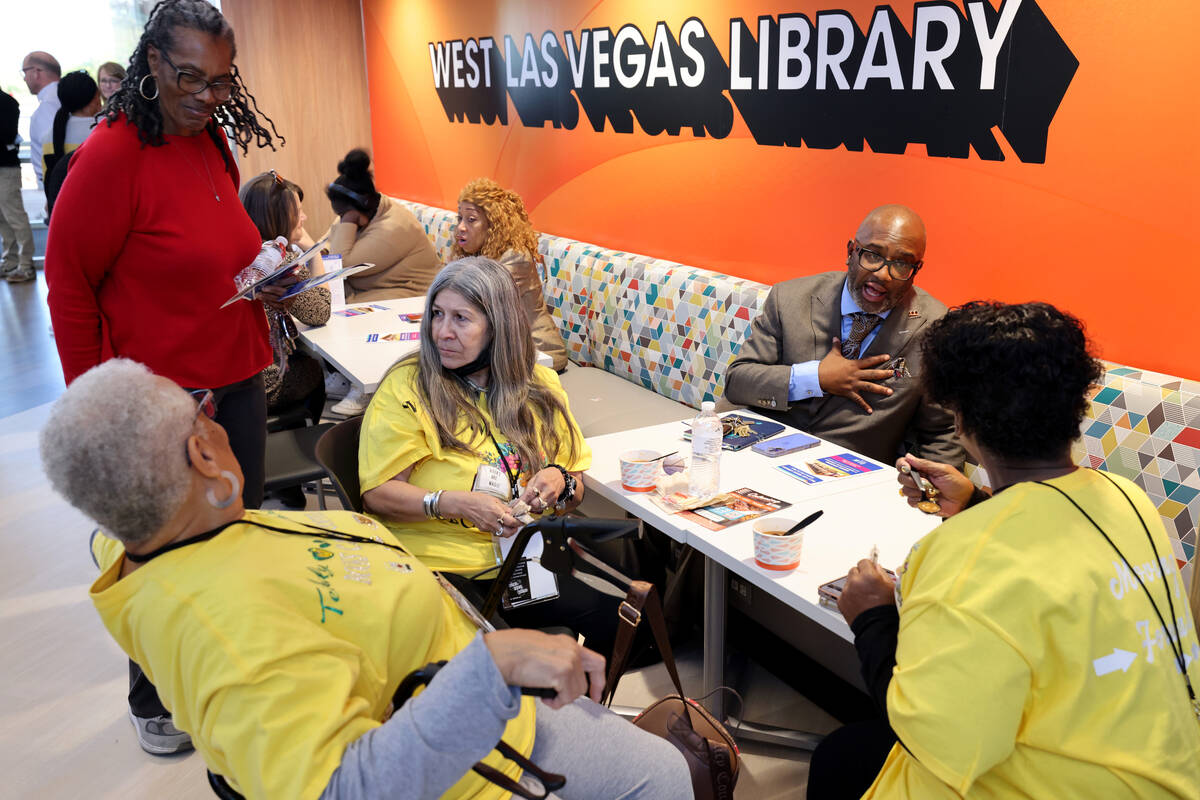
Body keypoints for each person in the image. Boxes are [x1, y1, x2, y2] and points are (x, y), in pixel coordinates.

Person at [39, 358, 694, 800]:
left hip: (457, 673)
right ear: (203, 452)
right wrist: (491, 666)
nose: (213, 415)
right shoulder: (232, 641)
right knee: (664, 776)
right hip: (478, 744)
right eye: (199, 408)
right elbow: (343, 790)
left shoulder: (146, 533)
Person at [808, 301, 1200, 799]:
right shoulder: (1129, 500)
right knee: (847, 754)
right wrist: (976, 502)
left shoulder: (960, 556)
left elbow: (932, 738)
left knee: (842, 761)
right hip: (1164, 768)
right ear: (1075, 404)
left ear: (962, 420)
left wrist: (872, 616)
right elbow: (1052, 558)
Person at [44, 0, 285, 757]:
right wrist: (97, 404)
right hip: (159, 405)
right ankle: (153, 697)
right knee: (163, 556)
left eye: (220, 81)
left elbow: (214, 246)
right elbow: (68, 282)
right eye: (189, 77)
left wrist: (263, 275)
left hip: (236, 378)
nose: (205, 95)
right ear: (151, 64)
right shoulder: (112, 155)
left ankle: (222, 675)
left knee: (230, 544)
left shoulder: (212, 139)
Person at [359, 257, 636, 652]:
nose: (442, 332)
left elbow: (576, 488)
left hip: (519, 562)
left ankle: (580, 711)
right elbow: (378, 494)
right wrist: (455, 504)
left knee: (621, 621)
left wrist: (560, 479)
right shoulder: (409, 386)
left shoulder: (538, 385)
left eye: (461, 319)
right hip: (435, 565)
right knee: (512, 663)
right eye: (437, 315)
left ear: (498, 328)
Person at [724, 204, 963, 468]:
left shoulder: (935, 327)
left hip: (851, 477)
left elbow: (942, 431)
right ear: (851, 251)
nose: (883, 274)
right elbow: (738, 382)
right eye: (873, 255)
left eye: (901, 264)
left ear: (916, 269)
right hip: (758, 456)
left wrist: (937, 496)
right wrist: (815, 377)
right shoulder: (790, 298)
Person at [322, 147, 441, 415]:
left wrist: (347, 222)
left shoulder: (394, 226)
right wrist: (346, 220)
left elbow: (342, 265)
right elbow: (328, 246)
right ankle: (346, 373)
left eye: (347, 217)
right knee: (328, 305)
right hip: (380, 289)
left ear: (360, 207)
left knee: (347, 316)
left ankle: (364, 386)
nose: (343, 221)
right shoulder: (362, 210)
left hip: (413, 295)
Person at [240, 169, 330, 507]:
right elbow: (319, 311)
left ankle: (276, 458)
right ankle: (295, 467)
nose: (304, 216)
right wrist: (314, 251)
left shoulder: (238, 253)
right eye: (298, 211)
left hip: (236, 377)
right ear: (279, 217)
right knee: (312, 370)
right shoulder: (280, 260)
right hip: (262, 382)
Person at [450, 178, 567, 372]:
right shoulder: (476, 252)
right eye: (459, 219)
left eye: (471, 220)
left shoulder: (515, 258)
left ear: (492, 224)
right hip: (501, 349)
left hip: (537, 350)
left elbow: (477, 303)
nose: (461, 227)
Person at [42, 70, 101, 198]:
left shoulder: (49, 136)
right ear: (95, 98)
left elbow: (47, 178)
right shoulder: (103, 131)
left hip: (61, 207)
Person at [0, 89, 34, 283]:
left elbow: (7, 133)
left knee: (14, 216)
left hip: (6, 168)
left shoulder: (7, 102)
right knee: (3, 219)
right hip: (4, 165)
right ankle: (10, 262)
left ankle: (25, 265)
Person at [21, 50, 61, 192]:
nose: (25, 79)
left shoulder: (47, 107)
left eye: (24, 73)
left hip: (57, 186)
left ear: (36, 72)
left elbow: (53, 151)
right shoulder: (61, 98)